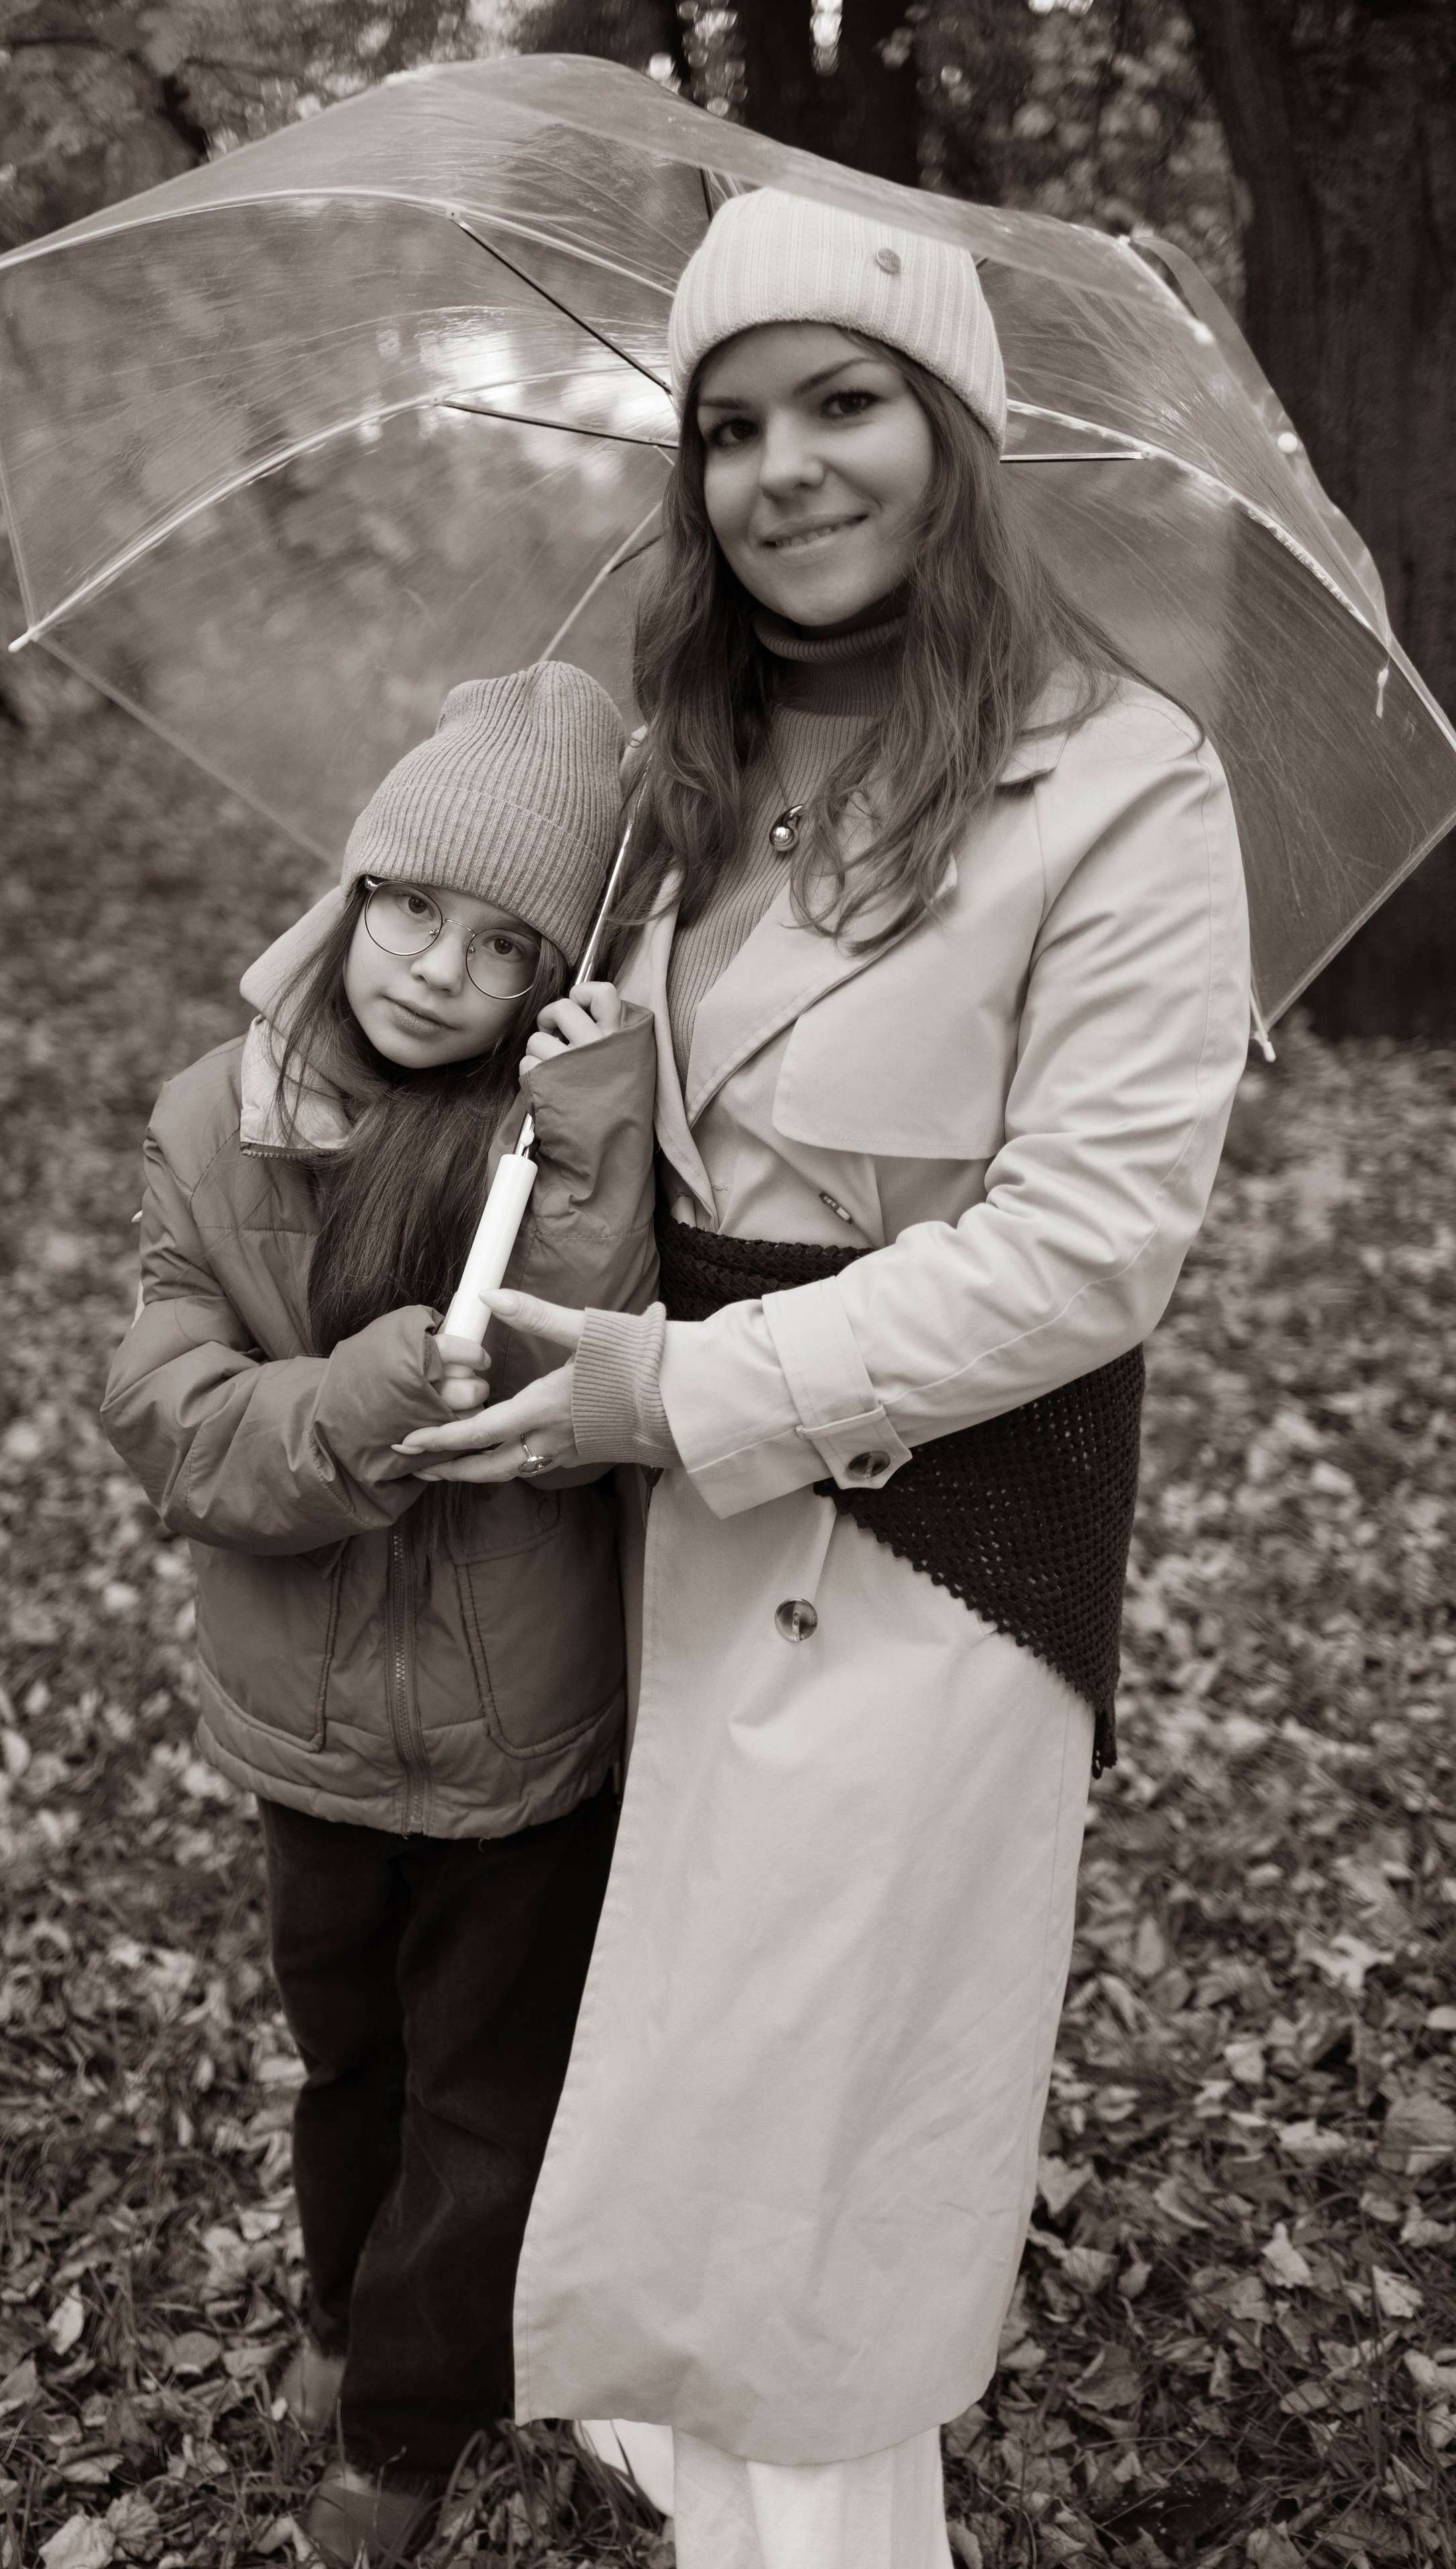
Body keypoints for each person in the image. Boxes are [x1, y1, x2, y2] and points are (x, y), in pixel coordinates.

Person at [396, 191, 1253, 2568]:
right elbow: (694, 1151)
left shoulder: (1124, 786)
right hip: (669, 1524)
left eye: (845, 405)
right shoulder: (690, 769)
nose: (784, 469)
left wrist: (672, 1391)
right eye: (732, 426)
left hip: (926, 1548)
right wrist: (585, 1137)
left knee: (809, 2192)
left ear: (956, 434)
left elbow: (1088, 1251)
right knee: (696, 2115)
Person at [100, 663, 657, 2567]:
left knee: (483, 2100)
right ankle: (340, 2309)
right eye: (412, 905)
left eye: (505, 945)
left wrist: (585, 1133)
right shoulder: (214, 1122)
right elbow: (164, 1413)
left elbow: (596, 1415)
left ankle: (406, 2429)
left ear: (549, 982)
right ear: (351, 890)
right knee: (345, 2059)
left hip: (519, 1736)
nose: (437, 967)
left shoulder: (567, 1136)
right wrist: (340, 1401)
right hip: (308, 1730)